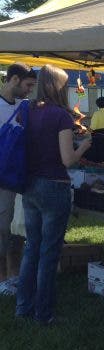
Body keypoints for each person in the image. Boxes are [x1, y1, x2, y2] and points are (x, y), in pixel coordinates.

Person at [16, 65, 92, 325]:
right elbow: (67, 159)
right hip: (54, 186)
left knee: (31, 249)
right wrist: (84, 146)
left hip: (29, 184)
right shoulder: (60, 116)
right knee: (49, 253)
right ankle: (44, 314)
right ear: (58, 87)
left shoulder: (28, 110)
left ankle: (23, 306)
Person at [0, 63, 37, 295]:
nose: (30, 91)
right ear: (14, 80)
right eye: (28, 85)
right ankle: (2, 278)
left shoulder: (26, 107)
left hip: (20, 180)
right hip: (2, 181)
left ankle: (14, 276)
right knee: (1, 230)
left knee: (16, 231)